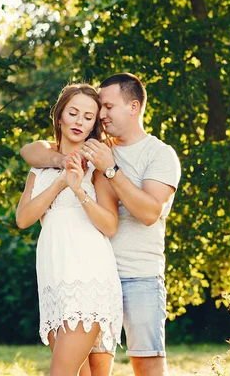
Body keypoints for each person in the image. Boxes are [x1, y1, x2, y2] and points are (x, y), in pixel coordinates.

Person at [21, 73, 182, 376]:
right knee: (92, 370)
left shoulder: (158, 154)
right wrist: (61, 161)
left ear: (133, 107)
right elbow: (31, 151)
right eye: (100, 110)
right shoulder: (91, 147)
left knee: (146, 365)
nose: (102, 115)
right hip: (80, 273)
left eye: (107, 107)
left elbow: (149, 213)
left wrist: (110, 170)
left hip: (137, 275)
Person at [16, 83, 123, 376]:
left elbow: (110, 225)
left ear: (93, 125)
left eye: (88, 117)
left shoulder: (96, 167)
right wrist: (60, 182)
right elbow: (23, 219)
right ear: (59, 116)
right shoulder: (39, 168)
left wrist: (78, 191)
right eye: (73, 113)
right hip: (53, 282)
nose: (79, 121)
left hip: (87, 280)